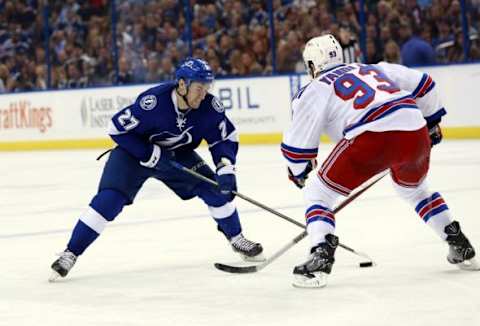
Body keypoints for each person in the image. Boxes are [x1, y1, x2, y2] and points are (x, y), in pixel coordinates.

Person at [281, 34, 478, 288]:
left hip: (370, 136)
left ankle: (320, 254)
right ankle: (458, 242)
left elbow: (298, 147)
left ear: (311, 65)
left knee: (318, 194)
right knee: (415, 190)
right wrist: (431, 123)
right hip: (414, 128)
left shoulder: (314, 87)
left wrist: (298, 171)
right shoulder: (373, 68)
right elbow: (425, 83)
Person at [49, 58, 264, 281]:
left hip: (177, 155)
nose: (204, 94)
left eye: (207, 88)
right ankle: (70, 253)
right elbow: (116, 128)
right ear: (182, 85)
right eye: (199, 88)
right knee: (109, 201)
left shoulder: (209, 107)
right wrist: (147, 153)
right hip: (134, 155)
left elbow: (223, 138)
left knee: (214, 188)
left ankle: (237, 238)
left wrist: (226, 167)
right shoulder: (153, 103)